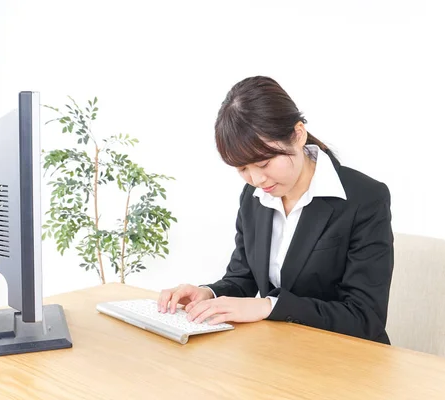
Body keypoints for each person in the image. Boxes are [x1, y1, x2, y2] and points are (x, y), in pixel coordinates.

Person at [158, 76, 394, 344]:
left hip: (348, 357)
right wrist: (208, 294)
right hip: (280, 350)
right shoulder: (254, 196)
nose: (257, 180)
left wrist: (269, 306)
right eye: (242, 169)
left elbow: (365, 317)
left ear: (298, 134)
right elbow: (242, 278)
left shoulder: (364, 199)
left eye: (265, 163)